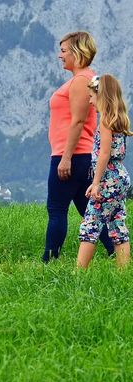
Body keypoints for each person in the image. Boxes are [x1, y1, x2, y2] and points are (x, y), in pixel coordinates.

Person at [43, 31, 114, 262]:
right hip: (80, 155)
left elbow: (78, 120)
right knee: (89, 211)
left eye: (63, 51)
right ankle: (117, 253)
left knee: (56, 209)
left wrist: (65, 158)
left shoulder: (81, 80)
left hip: (72, 155)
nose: (59, 56)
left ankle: (49, 260)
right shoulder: (85, 79)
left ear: (77, 52)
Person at [77, 74, 132, 269]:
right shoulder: (118, 119)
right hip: (120, 177)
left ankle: (78, 273)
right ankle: (124, 271)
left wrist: (96, 182)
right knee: (117, 225)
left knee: (90, 223)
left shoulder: (105, 121)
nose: (90, 101)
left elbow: (104, 153)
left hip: (108, 179)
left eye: (92, 96)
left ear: (102, 96)